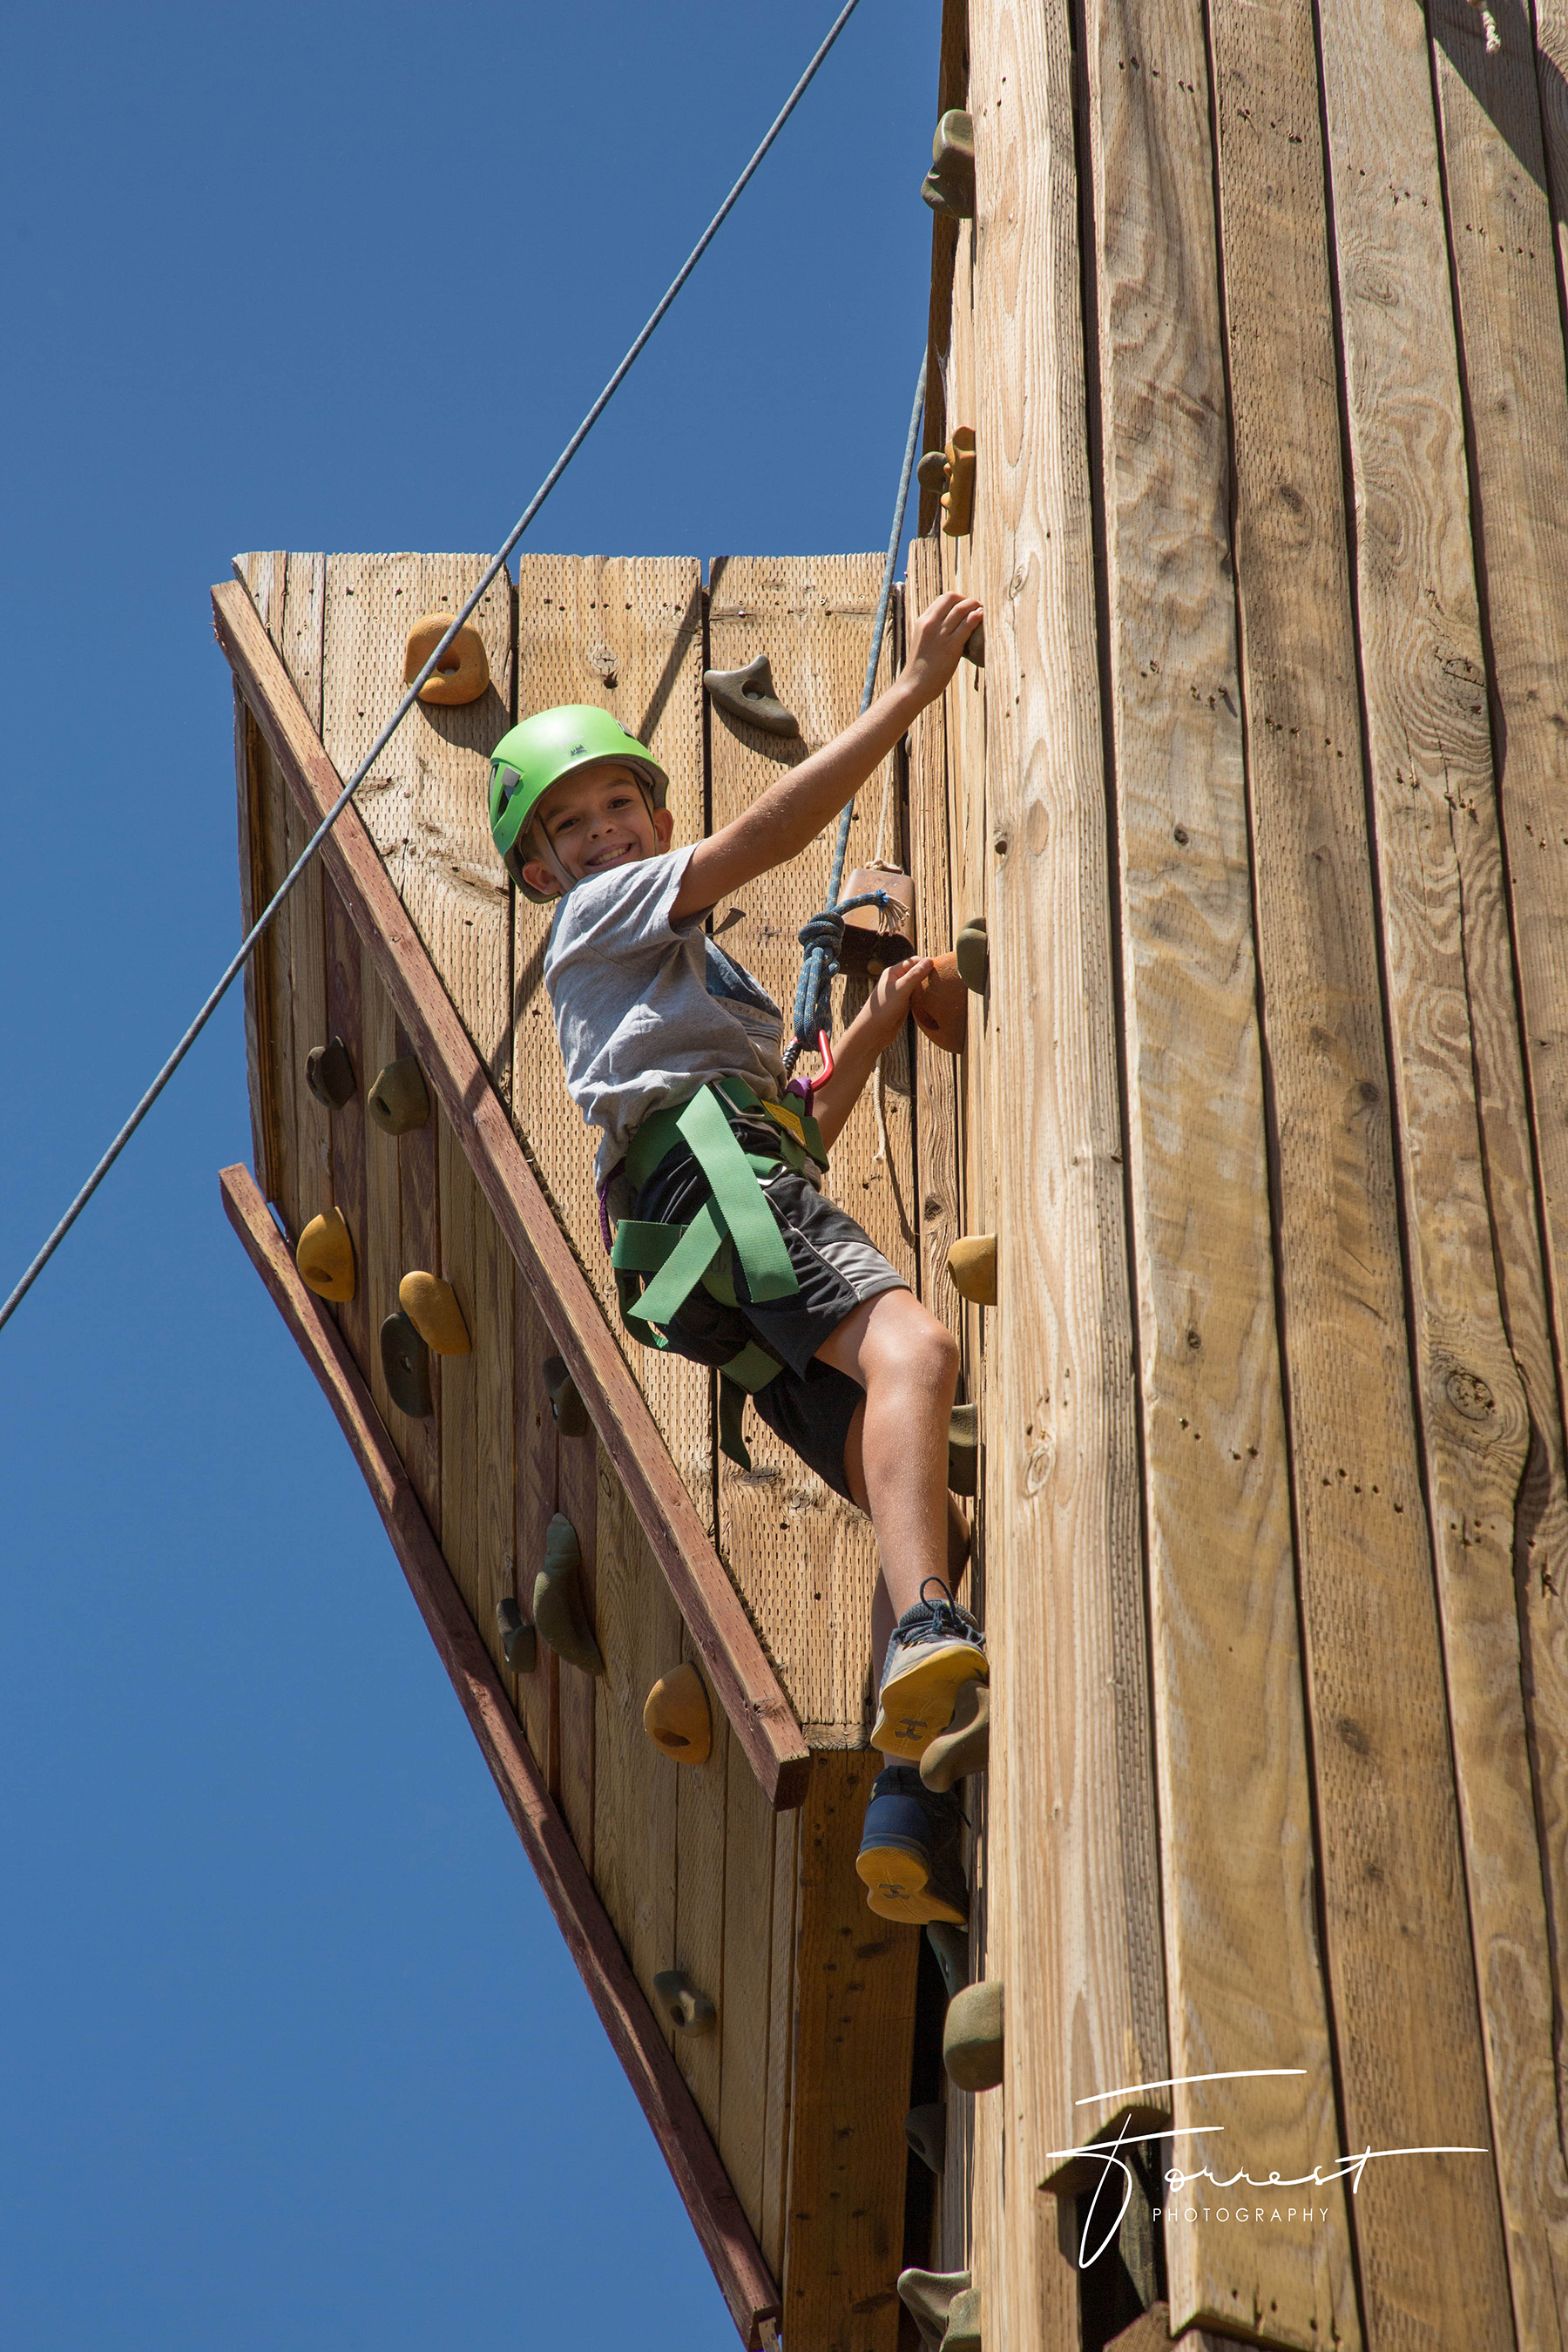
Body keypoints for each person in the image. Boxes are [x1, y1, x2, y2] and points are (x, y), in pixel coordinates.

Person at [487, 590, 988, 1925]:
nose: (602, 835)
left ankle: (907, 1805)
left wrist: (871, 1031)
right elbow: (773, 834)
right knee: (918, 1350)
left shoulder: (693, 992)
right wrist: (909, 699)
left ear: (647, 813)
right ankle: (932, 1635)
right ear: (545, 871)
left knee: (921, 1505)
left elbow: (789, 1130)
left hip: (717, 1240)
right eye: (571, 827)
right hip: (723, 1201)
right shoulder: (598, 919)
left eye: (617, 810)